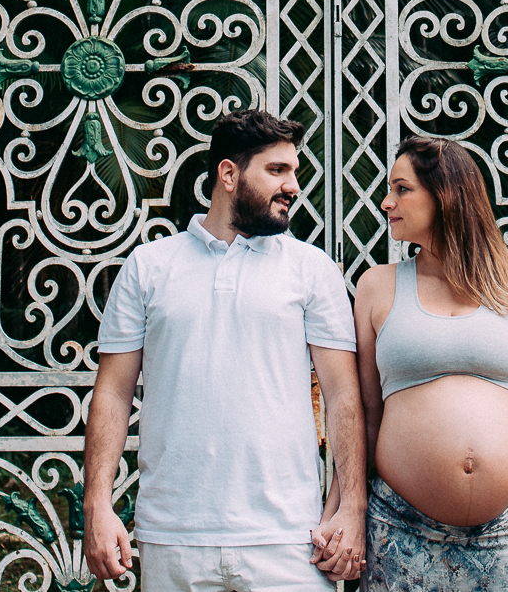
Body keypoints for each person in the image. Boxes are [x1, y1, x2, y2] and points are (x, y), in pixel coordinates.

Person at [83, 108, 367, 590]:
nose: (293, 187)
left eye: (294, 172)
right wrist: (98, 504)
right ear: (229, 174)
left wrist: (352, 508)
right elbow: (111, 393)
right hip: (173, 534)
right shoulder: (148, 267)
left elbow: (343, 396)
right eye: (277, 171)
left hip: (289, 538)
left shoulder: (311, 269)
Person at [353, 136, 508, 592]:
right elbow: (367, 417)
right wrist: (347, 511)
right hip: (404, 532)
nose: (386, 202)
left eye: (402, 189)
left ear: (445, 194)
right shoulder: (377, 287)